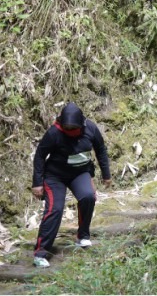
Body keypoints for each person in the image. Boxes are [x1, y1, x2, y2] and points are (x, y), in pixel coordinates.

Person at [31, 102, 111, 267]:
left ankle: (83, 236)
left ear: (81, 125)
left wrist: (106, 175)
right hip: (55, 176)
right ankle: (40, 253)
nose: (70, 132)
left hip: (79, 173)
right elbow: (40, 156)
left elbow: (100, 150)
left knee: (88, 196)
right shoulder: (54, 133)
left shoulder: (91, 128)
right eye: (67, 129)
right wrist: (37, 183)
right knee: (55, 209)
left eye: (73, 129)